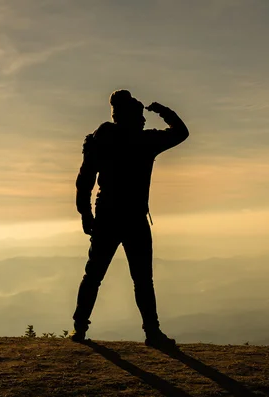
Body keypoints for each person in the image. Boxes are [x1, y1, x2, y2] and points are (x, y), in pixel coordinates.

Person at [71, 89, 189, 348]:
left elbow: (85, 179)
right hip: (134, 218)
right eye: (142, 116)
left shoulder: (101, 139)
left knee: (94, 274)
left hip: (106, 216)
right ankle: (152, 333)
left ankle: (79, 329)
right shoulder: (145, 141)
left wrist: (85, 214)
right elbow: (181, 132)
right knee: (142, 279)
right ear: (134, 117)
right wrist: (162, 110)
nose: (145, 121)